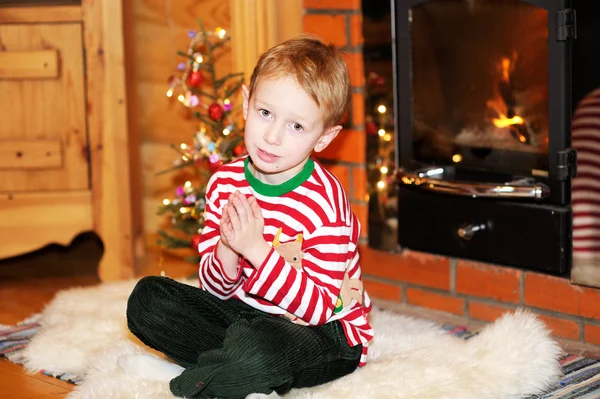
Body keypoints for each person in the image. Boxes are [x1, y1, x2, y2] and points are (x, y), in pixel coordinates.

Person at [118, 34, 374, 399]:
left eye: (296, 126)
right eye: (265, 113)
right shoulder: (225, 182)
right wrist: (226, 247)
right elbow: (214, 291)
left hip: (324, 335)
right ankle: (231, 372)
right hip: (245, 318)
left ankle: (192, 377)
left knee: (258, 346)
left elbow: (318, 308)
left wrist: (257, 251)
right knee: (148, 300)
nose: (271, 136)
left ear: (324, 138)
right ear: (245, 103)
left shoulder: (325, 200)